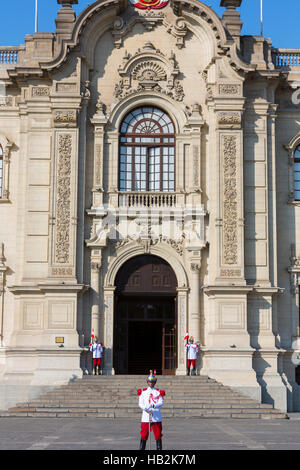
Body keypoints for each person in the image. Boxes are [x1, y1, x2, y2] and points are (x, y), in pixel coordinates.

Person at [137, 370, 165, 450]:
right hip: (146, 416)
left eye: (153, 382)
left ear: (155, 382)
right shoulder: (143, 392)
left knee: (158, 435)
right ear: (147, 382)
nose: (151, 383)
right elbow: (140, 403)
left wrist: (153, 405)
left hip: (156, 416)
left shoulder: (158, 392)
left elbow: (161, 402)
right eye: (150, 382)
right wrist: (146, 408)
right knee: (144, 434)